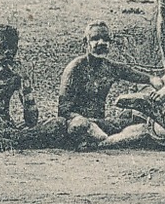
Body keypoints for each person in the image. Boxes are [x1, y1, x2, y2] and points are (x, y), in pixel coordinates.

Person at [57, 22, 159, 150]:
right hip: (79, 125)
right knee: (80, 125)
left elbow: (133, 74)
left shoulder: (109, 67)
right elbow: (63, 111)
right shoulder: (75, 68)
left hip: (101, 124)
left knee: (139, 125)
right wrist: (84, 122)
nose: (101, 43)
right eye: (95, 39)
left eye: (106, 39)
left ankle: (105, 140)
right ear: (85, 43)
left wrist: (153, 79)